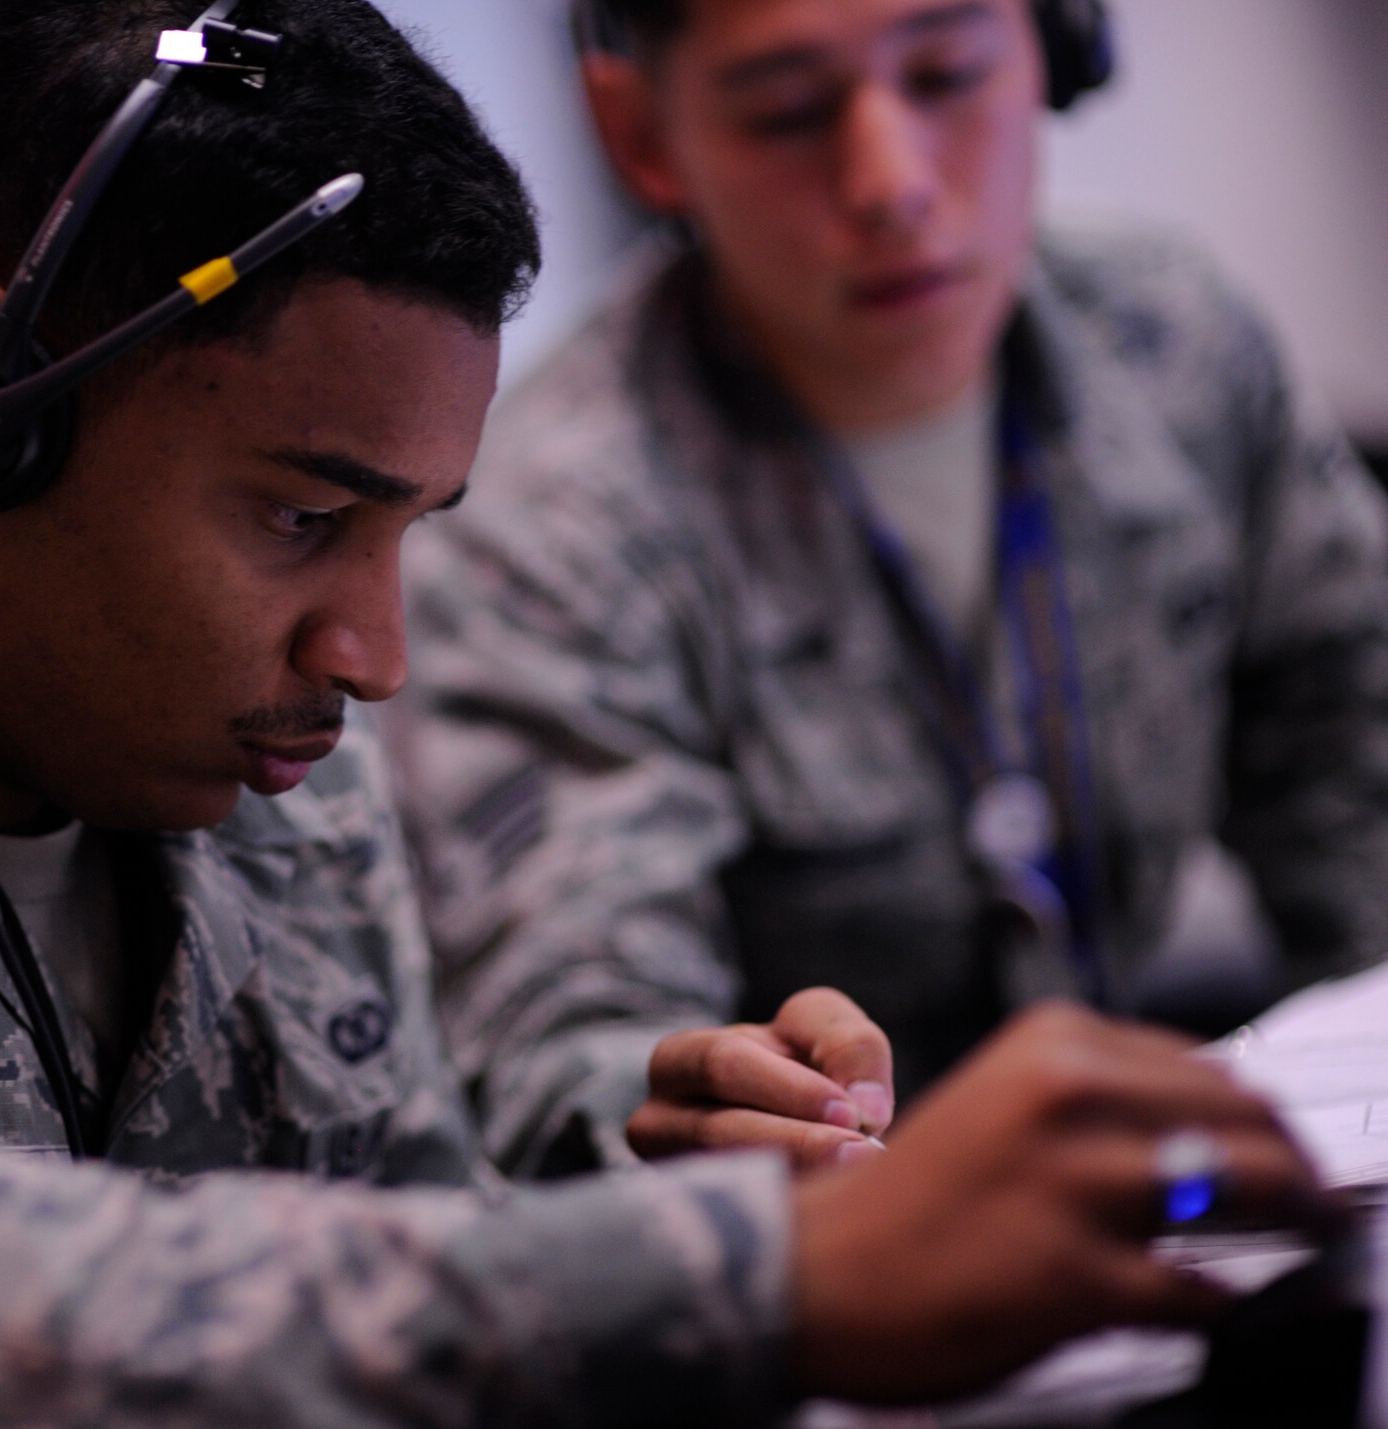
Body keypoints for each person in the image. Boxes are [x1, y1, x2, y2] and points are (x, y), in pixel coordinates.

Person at [0, 1, 1336, 1424]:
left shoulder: (248, 757)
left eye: (412, 532)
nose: (376, 652)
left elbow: (398, 1252)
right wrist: (740, 1282)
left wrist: (636, 1160)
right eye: (307, 517)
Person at [392, 0, 1388, 1179]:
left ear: (1053, 52)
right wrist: (690, 1125)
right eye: (788, 112)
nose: (889, 181)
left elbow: (1356, 798)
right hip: (815, 1280)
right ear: (641, 136)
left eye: (945, 74)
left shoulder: (1176, 347)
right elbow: (570, 1040)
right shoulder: (541, 533)